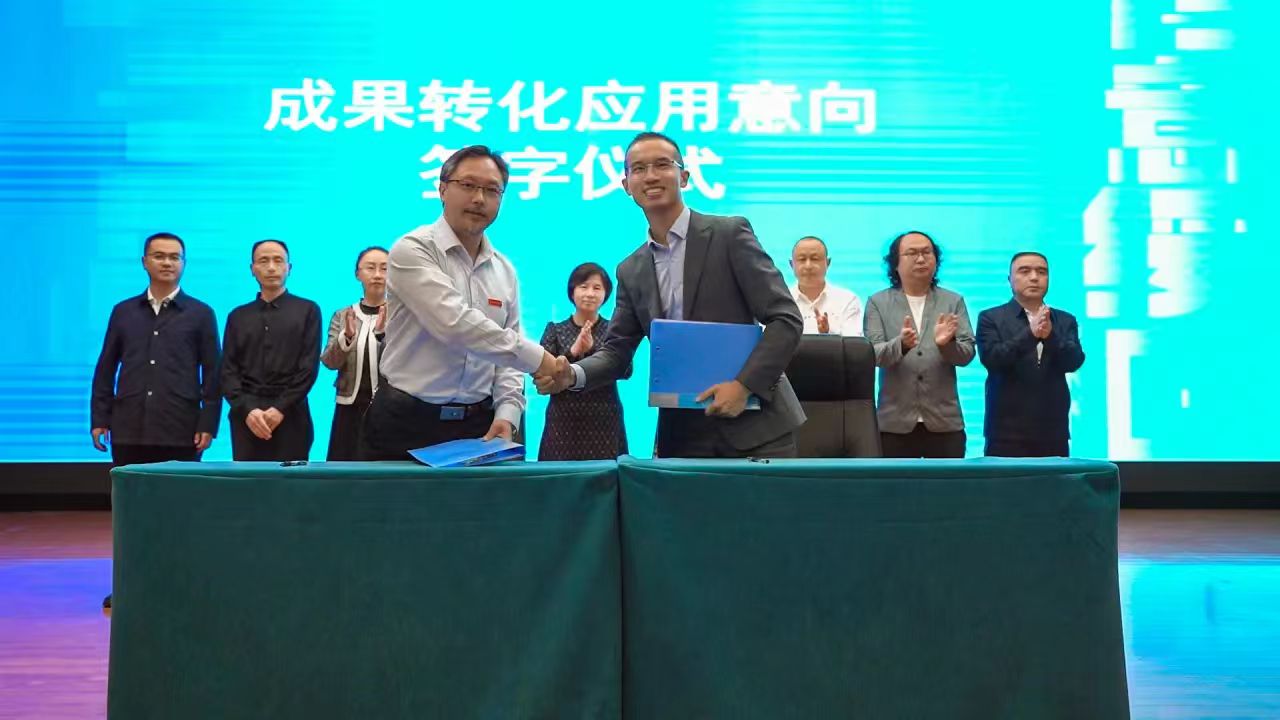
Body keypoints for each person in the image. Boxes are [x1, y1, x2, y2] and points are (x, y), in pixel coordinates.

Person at [536, 132, 805, 458]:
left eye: (662, 165)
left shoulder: (728, 235)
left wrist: (744, 386)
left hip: (756, 427)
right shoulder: (631, 269)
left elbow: (785, 318)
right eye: (639, 169)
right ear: (626, 186)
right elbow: (616, 352)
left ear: (684, 177)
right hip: (683, 436)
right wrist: (572, 374)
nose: (650, 176)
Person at [361, 145, 561, 460]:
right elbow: (455, 324)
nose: (479, 198)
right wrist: (541, 361)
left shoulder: (504, 270)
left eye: (492, 190)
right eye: (468, 185)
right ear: (442, 189)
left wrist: (507, 413)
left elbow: (506, 348)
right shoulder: (413, 250)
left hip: (478, 428)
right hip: (404, 423)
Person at [90, 231, 221, 609]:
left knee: (179, 512)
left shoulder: (201, 313)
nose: (167, 262)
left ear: (184, 264)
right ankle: (130, 586)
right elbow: (106, 367)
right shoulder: (123, 311)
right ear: (145, 262)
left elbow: (213, 373)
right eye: (159, 256)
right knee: (131, 515)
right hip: (129, 426)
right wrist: (100, 417)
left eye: (174, 257)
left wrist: (207, 423)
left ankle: (179, 584)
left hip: (180, 428)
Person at [864, 231, 975, 458]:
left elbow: (966, 354)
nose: (921, 259)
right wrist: (901, 345)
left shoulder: (953, 301)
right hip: (894, 423)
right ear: (895, 263)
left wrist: (947, 345)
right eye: (912, 253)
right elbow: (872, 355)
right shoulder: (877, 302)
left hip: (944, 421)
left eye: (927, 252)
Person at [221, 239, 321, 461]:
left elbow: (308, 368)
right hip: (247, 418)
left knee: (290, 481)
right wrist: (248, 410)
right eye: (263, 261)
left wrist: (280, 408)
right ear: (252, 269)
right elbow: (228, 371)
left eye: (278, 260)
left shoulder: (308, 310)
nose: (271, 267)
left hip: (292, 415)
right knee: (248, 480)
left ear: (289, 267)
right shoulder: (238, 316)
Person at [977, 252, 1085, 457]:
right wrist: (1030, 335)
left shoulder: (1065, 320)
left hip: (1053, 431)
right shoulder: (991, 317)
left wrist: (1050, 337)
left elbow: (1073, 361)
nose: (1034, 277)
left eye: (1041, 272)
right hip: (1005, 432)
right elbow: (992, 359)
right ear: (1010, 279)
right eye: (1025, 271)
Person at [538, 263, 629, 460]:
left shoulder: (614, 330)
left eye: (597, 288)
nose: (590, 293)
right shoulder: (554, 330)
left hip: (604, 419)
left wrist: (594, 350)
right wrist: (573, 352)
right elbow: (542, 373)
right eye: (583, 286)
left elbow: (626, 369)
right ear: (572, 292)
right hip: (563, 419)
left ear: (606, 294)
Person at [320, 246, 388, 461]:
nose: (377, 274)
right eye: (370, 268)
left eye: (384, 268)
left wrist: (383, 335)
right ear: (358, 274)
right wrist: (347, 337)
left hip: (388, 407)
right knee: (343, 466)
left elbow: (408, 362)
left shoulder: (402, 315)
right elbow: (329, 362)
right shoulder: (342, 315)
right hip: (349, 408)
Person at [789, 235, 863, 336]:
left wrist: (827, 333)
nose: (808, 266)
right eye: (802, 259)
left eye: (815, 259)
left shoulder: (848, 300)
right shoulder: (780, 301)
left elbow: (853, 342)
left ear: (827, 263)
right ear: (791, 264)